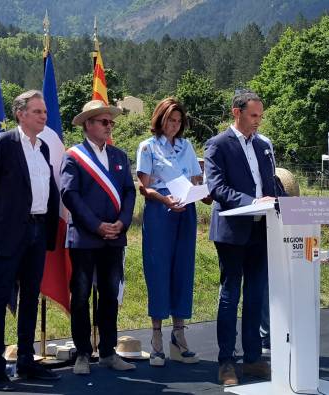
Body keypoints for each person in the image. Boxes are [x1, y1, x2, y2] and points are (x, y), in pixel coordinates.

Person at [0, 90, 61, 391]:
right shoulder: (3, 144)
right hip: (9, 233)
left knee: (31, 298)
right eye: (37, 111)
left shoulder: (44, 149)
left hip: (37, 232)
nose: (44, 116)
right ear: (20, 114)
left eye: (45, 112)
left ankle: (26, 360)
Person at [204, 91, 280, 386]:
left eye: (260, 116)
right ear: (236, 112)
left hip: (262, 230)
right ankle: (226, 362)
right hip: (233, 232)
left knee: (255, 294)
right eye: (253, 116)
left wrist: (280, 204)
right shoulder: (218, 145)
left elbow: (271, 182)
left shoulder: (263, 146)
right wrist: (254, 201)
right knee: (230, 294)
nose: (258, 122)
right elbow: (218, 188)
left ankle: (252, 359)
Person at [60, 100, 136, 376]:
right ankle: (82, 352)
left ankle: (107, 351)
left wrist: (122, 222)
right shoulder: (73, 156)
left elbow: (129, 192)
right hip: (84, 237)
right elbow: (70, 195)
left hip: (114, 237)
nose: (109, 126)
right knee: (80, 295)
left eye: (111, 122)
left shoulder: (118, 156)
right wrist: (96, 226)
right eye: (104, 122)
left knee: (109, 296)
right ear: (88, 124)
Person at [136, 97, 203, 367]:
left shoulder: (187, 146)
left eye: (178, 121)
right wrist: (165, 200)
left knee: (183, 270)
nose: (174, 126)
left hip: (186, 210)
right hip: (160, 210)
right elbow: (144, 187)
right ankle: (156, 339)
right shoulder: (148, 147)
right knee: (158, 269)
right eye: (169, 120)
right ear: (160, 119)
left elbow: (197, 180)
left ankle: (179, 336)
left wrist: (204, 192)